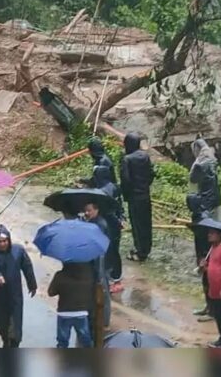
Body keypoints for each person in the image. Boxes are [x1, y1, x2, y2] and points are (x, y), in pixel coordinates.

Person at [186, 137, 221, 321]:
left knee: (208, 269)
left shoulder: (200, 165)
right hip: (212, 212)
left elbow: (192, 179)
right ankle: (209, 307)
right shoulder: (213, 162)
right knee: (206, 269)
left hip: (206, 217)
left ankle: (213, 309)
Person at [0, 224, 37, 348]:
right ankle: (5, 340)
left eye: (4, 241)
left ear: (9, 240)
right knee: (2, 324)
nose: (2, 244)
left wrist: (32, 285)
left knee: (15, 326)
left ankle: (14, 344)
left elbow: (27, 267)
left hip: (15, 295)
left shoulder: (18, 251)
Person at [119, 132, 156, 262]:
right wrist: (145, 186)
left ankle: (140, 252)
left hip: (134, 197)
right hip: (145, 195)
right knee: (146, 223)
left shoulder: (127, 159)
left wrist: (126, 194)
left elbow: (126, 180)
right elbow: (151, 174)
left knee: (137, 225)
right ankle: (146, 248)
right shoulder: (145, 156)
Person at [88, 164, 125, 293]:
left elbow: (106, 212)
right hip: (116, 225)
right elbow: (120, 206)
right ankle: (116, 279)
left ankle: (114, 280)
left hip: (109, 226)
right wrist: (121, 220)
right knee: (115, 252)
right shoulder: (114, 187)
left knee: (110, 253)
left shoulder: (102, 192)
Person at [82, 203, 111, 340]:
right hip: (96, 263)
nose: (87, 213)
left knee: (103, 292)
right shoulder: (92, 222)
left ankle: (104, 322)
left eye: (89, 210)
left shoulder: (100, 225)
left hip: (101, 264)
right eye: (85, 211)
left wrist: (98, 274)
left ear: (97, 210)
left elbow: (99, 251)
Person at [48, 262, 95, 348]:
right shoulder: (87, 276)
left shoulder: (60, 275)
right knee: (86, 342)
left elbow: (51, 292)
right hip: (81, 313)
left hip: (64, 313)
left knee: (62, 342)